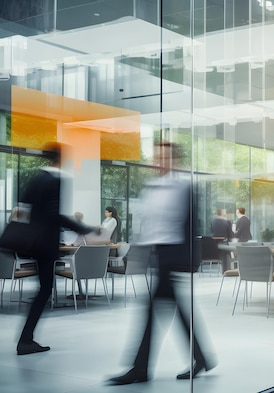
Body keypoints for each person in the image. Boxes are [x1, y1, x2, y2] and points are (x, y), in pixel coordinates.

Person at [108, 141, 216, 385]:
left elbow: (190, 226)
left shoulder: (184, 186)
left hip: (175, 257)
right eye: (157, 156)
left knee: (153, 310)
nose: (160, 160)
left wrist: (189, 261)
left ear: (174, 159)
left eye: (165, 156)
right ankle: (200, 357)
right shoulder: (152, 187)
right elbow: (148, 223)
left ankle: (141, 368)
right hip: (160, 255)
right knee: (172, 310)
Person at [16, 143, 95, 355]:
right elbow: (54, 215)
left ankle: (26, 338)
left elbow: (23, 209)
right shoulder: (56, 181)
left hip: (32, 243)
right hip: (45, 244)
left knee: (43, 289)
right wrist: (82, 227)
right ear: (61, 158)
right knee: (44, 289)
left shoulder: (35, 179)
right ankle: (25, 340)